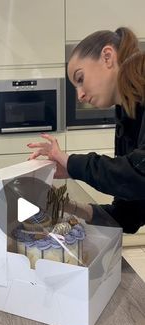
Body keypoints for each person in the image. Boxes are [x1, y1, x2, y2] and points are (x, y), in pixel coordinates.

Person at [28, 26, 145, 234]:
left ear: (107, 57)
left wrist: (71, 162)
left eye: (80, 79)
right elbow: (128, 215)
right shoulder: (128, 116)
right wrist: (65, 204)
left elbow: (138, 174)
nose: (80, 95)